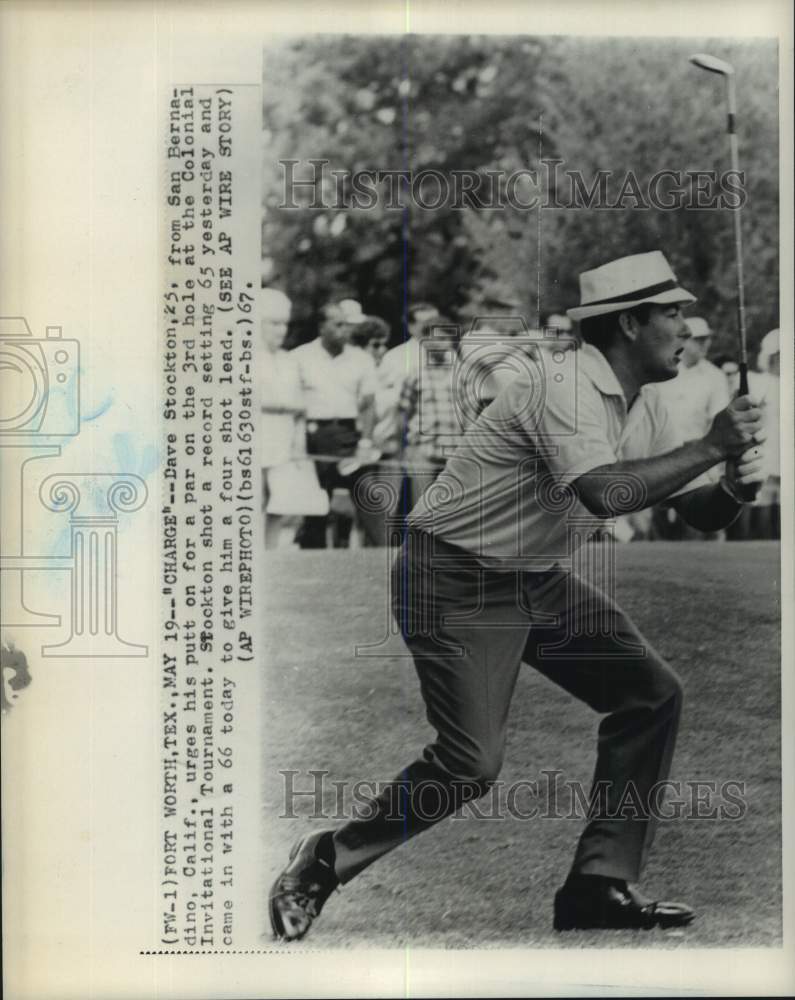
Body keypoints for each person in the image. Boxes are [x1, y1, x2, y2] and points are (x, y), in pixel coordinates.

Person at [269, 251, 765, 939]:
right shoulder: (558, 385)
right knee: (469, 763)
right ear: (628, 322)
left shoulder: (643, 401)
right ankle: (325, 857)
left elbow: (697, 512)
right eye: (673, 313)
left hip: (532, 577)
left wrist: (737, 479)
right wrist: (713, 444)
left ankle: (598, 885)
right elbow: (605, 490)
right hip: (451, 576)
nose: (687, 327)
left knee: (649, 693)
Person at [291, 299, 381, 548]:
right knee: (315, 503)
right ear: (322, 327)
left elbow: (370, 404)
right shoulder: (299, 357)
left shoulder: (361, 359)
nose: (346, 330)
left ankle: (384, 558)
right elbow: (294, 405)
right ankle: (313, 562)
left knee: (369, 497)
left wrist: (365, 441)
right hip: (313, 434)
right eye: (338, 324)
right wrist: (296, 443)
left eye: (347, 325)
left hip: (349, 435)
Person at [652, 316, 730, 540]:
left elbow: (719, 421)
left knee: (700, 528)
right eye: (699, 340)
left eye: (707, 340)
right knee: (659, 530)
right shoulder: (664, 371)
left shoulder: (715, 377)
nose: (705, 345)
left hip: (700, 458)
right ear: (684, 340)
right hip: (662, 456)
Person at [259, 288, 306, 549]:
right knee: (253, 497)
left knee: (280, 500)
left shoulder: (289, 360)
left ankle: (271, 550)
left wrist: (298, 443)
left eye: (284, 324)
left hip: (284, 436)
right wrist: (283, 405)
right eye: (274, 323)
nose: (281, 330)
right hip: (255, 434)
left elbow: (300, 404)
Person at [396, 318, 460, 507]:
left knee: (451, 507)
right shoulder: (415, 374)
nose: (437, 344)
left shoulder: (464, 373)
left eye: (443, 339)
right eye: (432, 338)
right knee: (421, 506)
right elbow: (403, 413)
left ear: (451, 341)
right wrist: (404, 447)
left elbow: (471, 413)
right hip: (423, 448)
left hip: (454, 449)